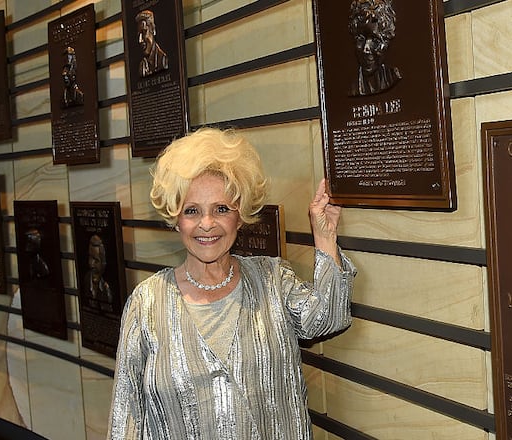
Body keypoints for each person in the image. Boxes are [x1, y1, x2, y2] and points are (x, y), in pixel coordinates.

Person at [107, 127, 356, 439]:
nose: (206, 224)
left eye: (221, 209)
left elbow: (328, 317)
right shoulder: (146, 304)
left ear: (240, 216)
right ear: (175, 220)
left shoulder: (272, 280)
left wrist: (325, 235)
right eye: (191, 210)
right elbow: (126, 417)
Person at [348, 0, 402, 96]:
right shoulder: (353, 87)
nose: (366, 49)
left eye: (375, 40)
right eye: (360, 39)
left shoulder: (393, 76)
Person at [135, 10, 168, 77]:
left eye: (144, 32)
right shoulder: (142, 65)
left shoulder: (162, 59)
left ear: (153, 30)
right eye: (139, 35)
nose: (140, 40)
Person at [85, 235, 113, 304]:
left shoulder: (107, 289)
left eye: (96, 260)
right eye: (90, 257)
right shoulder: (86, 279)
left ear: (104, 263)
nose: (91, 264)